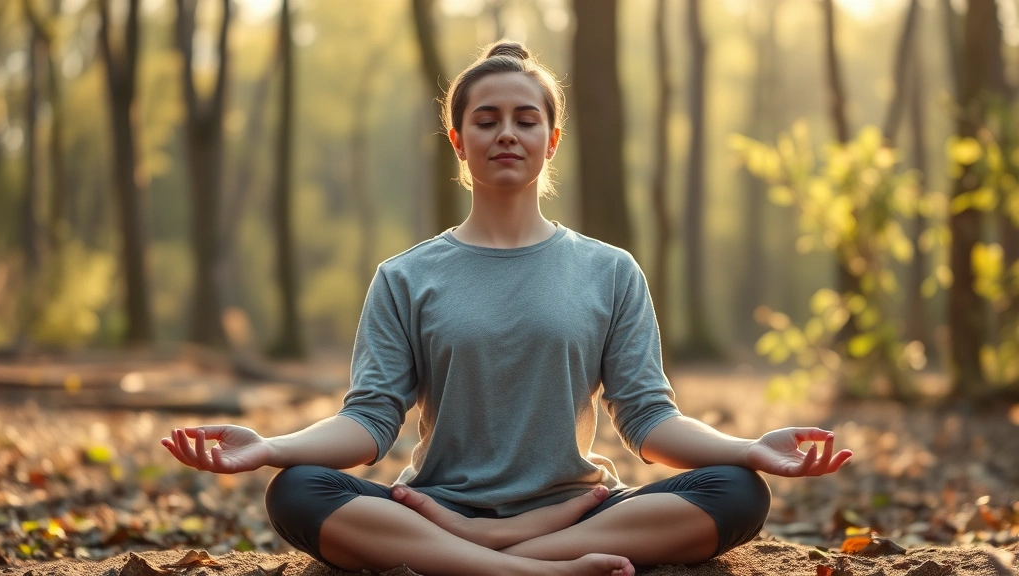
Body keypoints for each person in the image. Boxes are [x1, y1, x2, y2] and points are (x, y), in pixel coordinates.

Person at [162, 41, 852, 576]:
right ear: (458, 140)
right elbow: (370, 422)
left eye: (526, 120)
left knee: (737, 492)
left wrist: (750, 449)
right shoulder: (404, 277)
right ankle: (514, 563)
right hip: (435, 506)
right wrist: (270, 449)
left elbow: (647, 419)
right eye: (485, 120)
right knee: (297, 492)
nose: (507, 134)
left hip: (575, 510)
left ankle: (484, 553)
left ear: (552, 139)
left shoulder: (610, 271)